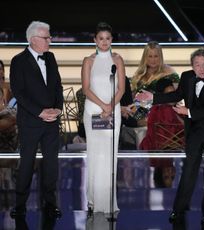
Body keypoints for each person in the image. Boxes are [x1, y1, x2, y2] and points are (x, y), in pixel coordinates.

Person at [152, 48, 204, 229]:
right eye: (197, 65)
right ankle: (178, 210)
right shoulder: (187, 77)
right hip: (196, 129)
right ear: (192, 66)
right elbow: (176, 95)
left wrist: (188, 111)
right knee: (188, 170)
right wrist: (153, 98)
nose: (201, 69)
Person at [9, 21, 63, 221]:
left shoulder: (51, 57)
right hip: (31, 121)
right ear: (33, 40)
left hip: (52, 121)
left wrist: (58, 109)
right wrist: (40, 112)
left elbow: (58, 86)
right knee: (27, 163)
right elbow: (19, 93)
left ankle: (50, 204)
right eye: (47, 37)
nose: (50, 40)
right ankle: (20, 205)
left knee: (51, 165)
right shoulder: (18, 61)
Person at [81, 22, 125, 215]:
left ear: (112, 40)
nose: (104, 42)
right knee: (95, 155)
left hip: (113, 110)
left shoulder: (118, 59)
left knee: (109, 156)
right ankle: (93, 199)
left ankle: (107, 199)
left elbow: (121, 88)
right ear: (95, 40)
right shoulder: (88, 60)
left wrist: (110, 106)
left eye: (108, 38)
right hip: (93, 111)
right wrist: (103, 106)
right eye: (101, 38)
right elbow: (85, 88)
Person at [130, 41, 180, 127]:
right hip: (138, 114)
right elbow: (132, 98)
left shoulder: (169, 73)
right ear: (145, 57)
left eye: (156, 56)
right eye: (150, 56)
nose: (153, 60)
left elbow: (176, 97)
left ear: (160, 57)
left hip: (160, 114)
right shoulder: (139, 74)